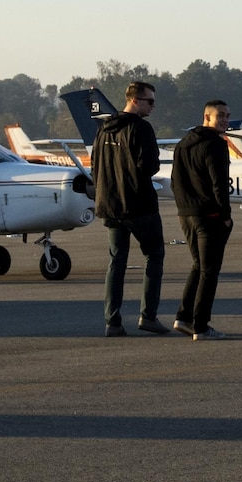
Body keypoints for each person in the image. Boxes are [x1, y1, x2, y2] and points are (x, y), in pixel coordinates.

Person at [93, 81, 168, 337]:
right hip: (138, 205)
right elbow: (149, 166)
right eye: (150, 101)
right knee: (154, 255)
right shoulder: (141, 128)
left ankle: (112, 321)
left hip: (109, 205)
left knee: (117, 261)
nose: (153, 106)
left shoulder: (104, 129)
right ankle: (148, 316)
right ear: (135, 100)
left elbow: (96, 166)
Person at [170, 99, 234, 338]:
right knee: (209, 271)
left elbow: (176, 180)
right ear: (206, 117)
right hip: (208, 216)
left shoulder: (183, 143)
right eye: (221, 116)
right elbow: (220, 183)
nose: (225, 120)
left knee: (199, 266)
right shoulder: (216, 145)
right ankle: (201, 325)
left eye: (228, 115)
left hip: (186, 214)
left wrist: (183, 207)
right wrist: (225, 216)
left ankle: (184, 317)